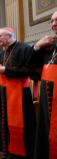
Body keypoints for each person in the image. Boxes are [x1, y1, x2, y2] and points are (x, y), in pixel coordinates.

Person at [0, 27, 36, 159]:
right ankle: (8, 151)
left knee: (22, 124)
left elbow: (29, 72)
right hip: (4, 91)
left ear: (10, 35)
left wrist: (5, 70)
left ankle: (21, 154)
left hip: (20, 93)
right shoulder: (3, 51)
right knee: (5, 121)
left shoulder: (24, 48)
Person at [25, 11, 57, 159]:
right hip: (47, 97)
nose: (54, 24)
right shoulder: (49, 44)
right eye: (51, 21)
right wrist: (37, 46)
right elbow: (30, 65)